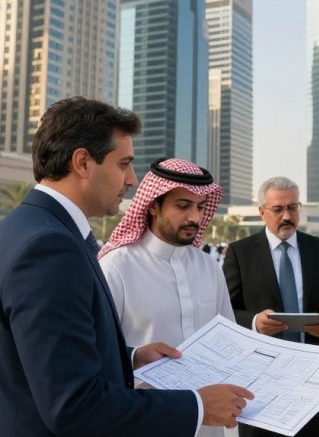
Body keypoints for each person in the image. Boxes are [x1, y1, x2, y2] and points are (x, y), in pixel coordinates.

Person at [0, 97, 253, 436]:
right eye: (123, 164)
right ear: (83, 162)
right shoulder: (49, 247)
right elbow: (74, 405)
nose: (132, 179)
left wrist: (130, 358)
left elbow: (50, 359)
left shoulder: (28, 227)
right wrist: (198, 406)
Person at [99, 157, 236, 437]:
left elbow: (230, 341)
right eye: (183, 206)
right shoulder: (117, 267)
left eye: (200, 207)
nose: (195, 218)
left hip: (207, 426)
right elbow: (101, 354)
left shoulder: (209, 267)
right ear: (152, 205)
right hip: (143, 422)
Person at [223, 176, 319, 437]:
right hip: (260, 377)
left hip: (312, 375)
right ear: (262, 212)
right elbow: (226, 311)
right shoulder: (240, 253)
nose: (287, 216)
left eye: (293, 208)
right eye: (278, 209)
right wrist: (254, 321)